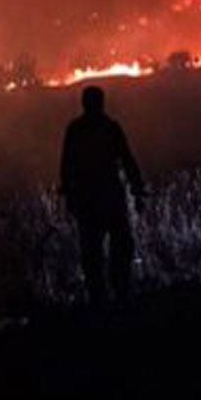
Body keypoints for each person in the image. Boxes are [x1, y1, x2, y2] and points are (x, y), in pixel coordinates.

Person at [60, 85, 145, 308]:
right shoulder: (108, 128)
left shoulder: (77, 129)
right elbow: (127, 161)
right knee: (111, 248)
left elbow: (66, 166)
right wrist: (138, 191)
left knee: (96, 251)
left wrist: (70, 196)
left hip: (91, 200)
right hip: (106, 198)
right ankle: (116, 294)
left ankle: (104, 298)